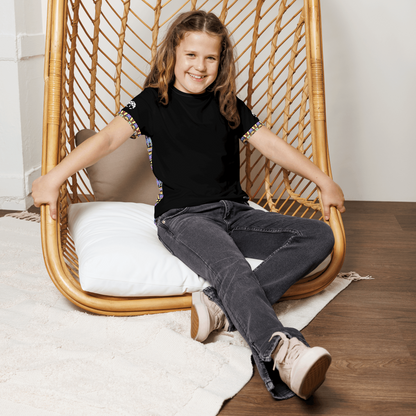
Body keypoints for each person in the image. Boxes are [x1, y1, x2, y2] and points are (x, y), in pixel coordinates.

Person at [32, 10, 345, 401]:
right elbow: (107, 140)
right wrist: (54, 177)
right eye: (191, 55)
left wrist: (323, 180)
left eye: (210, 57)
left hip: (236, 212)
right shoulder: (152, 102)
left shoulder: (227, 103)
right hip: (184, 218)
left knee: (319, 235)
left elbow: (270, 144)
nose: (200, 66)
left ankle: (217, 306)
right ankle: (282, 352)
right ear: (173, 56)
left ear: (221, 61)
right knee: (231, 266)